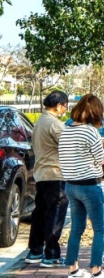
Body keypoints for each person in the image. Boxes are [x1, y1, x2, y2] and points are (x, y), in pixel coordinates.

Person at [59, 94, 104, 278]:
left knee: (77, 228)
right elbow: (102, 159)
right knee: (100, 228)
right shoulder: (90, 132)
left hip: (71, 185)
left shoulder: (67, 130)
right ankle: (97, 271)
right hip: (90, 185)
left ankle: (73, 269)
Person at [24, 91, 69, 267]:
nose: (66, 109)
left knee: (40, 214)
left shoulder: (40, 121)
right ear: (58, 105)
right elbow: (68, 146)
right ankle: (51, 254)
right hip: (55, 173)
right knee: (55, 214)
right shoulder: (54, 124)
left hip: (41, 174)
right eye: (65, 106)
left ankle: (34, 250)